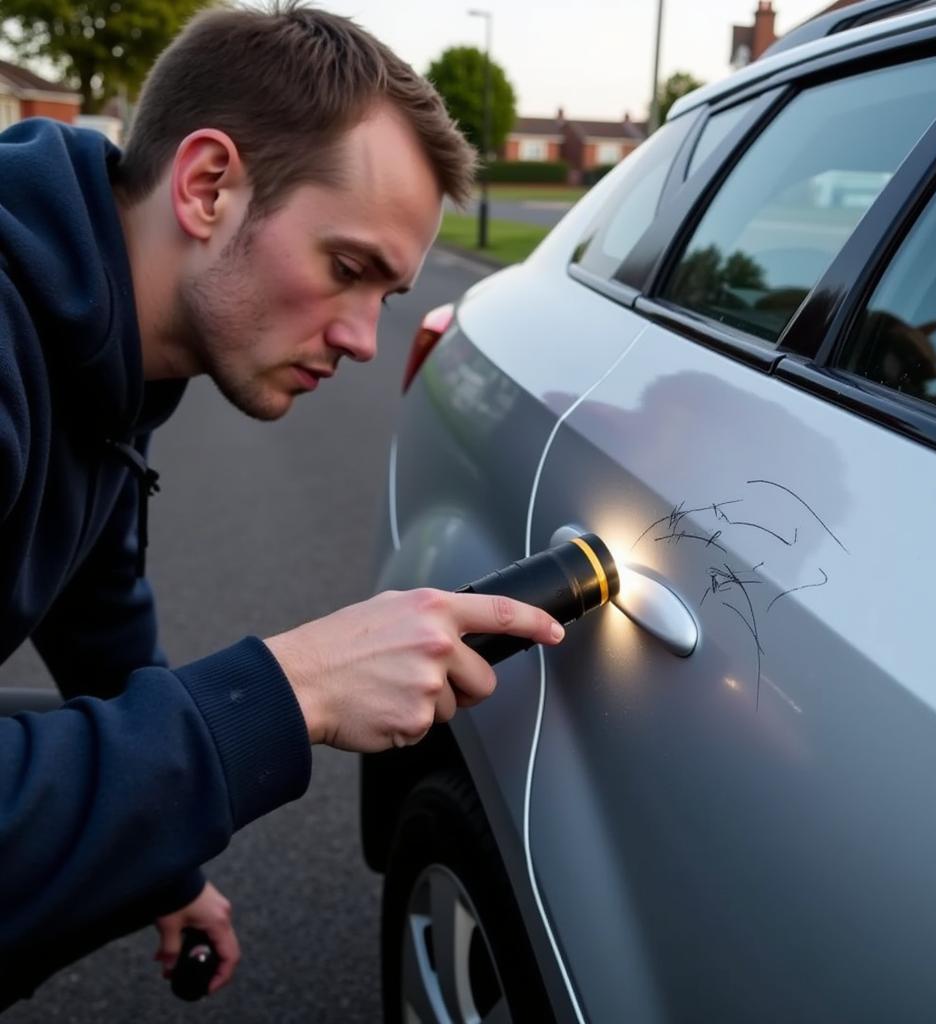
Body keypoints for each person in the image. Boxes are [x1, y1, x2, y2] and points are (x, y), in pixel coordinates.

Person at [0, 2, 565, 1006]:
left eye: (386, 297)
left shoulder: (113, 362)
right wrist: (292, 687)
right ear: (208, 185)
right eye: (346, 269)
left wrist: (163, 862)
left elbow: (103, 621)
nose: (359, 338)